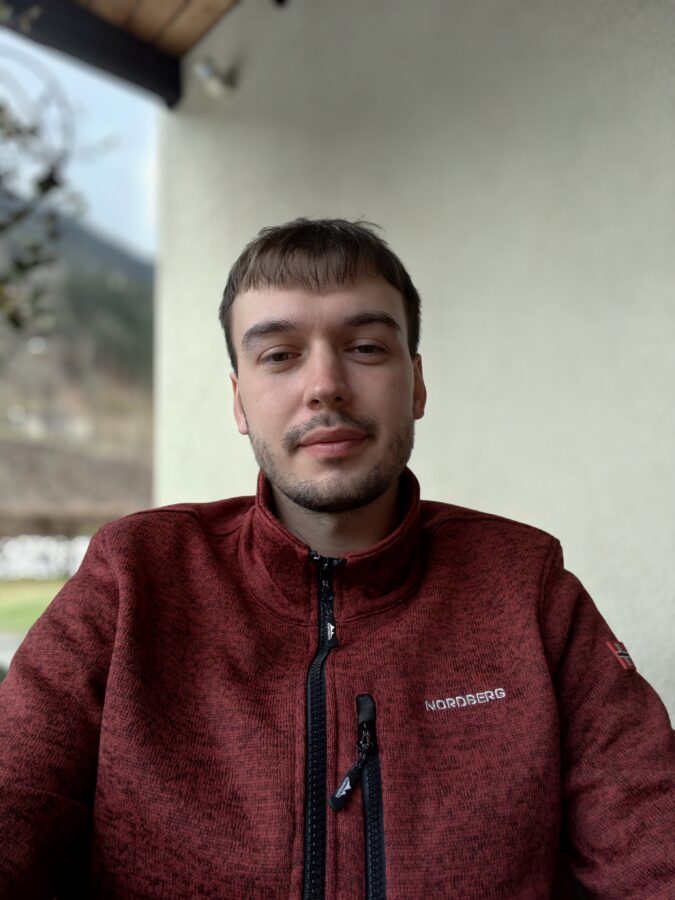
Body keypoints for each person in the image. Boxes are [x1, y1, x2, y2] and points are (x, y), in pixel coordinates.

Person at [0, 218, 673, 899]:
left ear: (416, 385)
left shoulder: (526, 587)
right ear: (239, 401)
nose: (325, 384)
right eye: (279, 355)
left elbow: (651, 839)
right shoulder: (134, 576)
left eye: (366, 347)